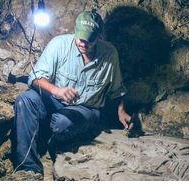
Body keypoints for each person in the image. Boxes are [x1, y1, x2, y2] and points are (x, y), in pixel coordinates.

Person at [11, 10, 133, 177]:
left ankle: (48, 147)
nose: (83, 43)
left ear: (99, 37)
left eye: (89, 40)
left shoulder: (109, 54)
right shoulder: (59, 44)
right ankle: (28, 168)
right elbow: (35, 78)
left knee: (62, 122)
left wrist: (121, 111)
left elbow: (118, 89)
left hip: (85, 108)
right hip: (53, 100)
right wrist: (56, 90)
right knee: (25, 100)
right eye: (80, 38)